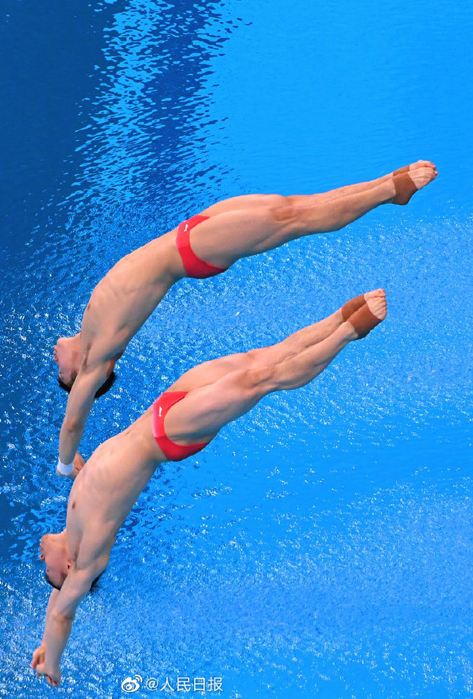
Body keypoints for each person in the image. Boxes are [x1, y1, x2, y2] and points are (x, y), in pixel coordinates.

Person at [34, 289, 387, 685]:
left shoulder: (77, 516)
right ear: (67, 569)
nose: (40, 563)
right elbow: (64, 610)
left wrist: (45, 643)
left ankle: (338, 317)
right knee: (260, 380)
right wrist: (54, 662)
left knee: (260, 359)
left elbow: (53, 607)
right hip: (169, 433)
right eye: (48, 573)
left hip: (165, 407)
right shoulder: (87, 559)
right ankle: (351, 333)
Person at [53, 162, 436, 478]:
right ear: (81, 377)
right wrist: (66, 465)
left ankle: (385, 182)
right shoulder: (96, 361)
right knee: (295, 221)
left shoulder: (89, 331)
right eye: (60, 375)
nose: (55, 362)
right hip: (191, 250)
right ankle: (389, 192)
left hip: (189, 232)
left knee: (292, 207)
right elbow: (73, 423)